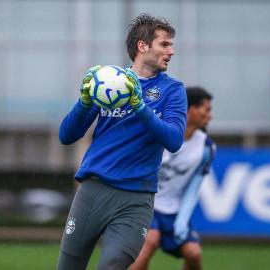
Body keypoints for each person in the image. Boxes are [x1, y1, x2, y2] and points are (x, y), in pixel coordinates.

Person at [56, 13, 187, 270]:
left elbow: (173, 140)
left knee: (113, 264)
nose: (171, 51)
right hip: (93, 191)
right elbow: (67, 136)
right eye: (165, 44)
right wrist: (84, 102)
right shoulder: (108, 83)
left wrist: (139, 106)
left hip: (136, 198)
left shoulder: (173, 90)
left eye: (171, 44)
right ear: (142, 46)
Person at [130, 87, 215, 270]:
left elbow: (194, 188)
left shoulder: (206, 148)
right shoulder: (160, 132)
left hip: (173, 211)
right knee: (150, 240)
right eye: (207, 109)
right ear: (191, 110)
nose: (210, 116)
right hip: (146, 202)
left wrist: (182, 219)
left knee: (194, 253)